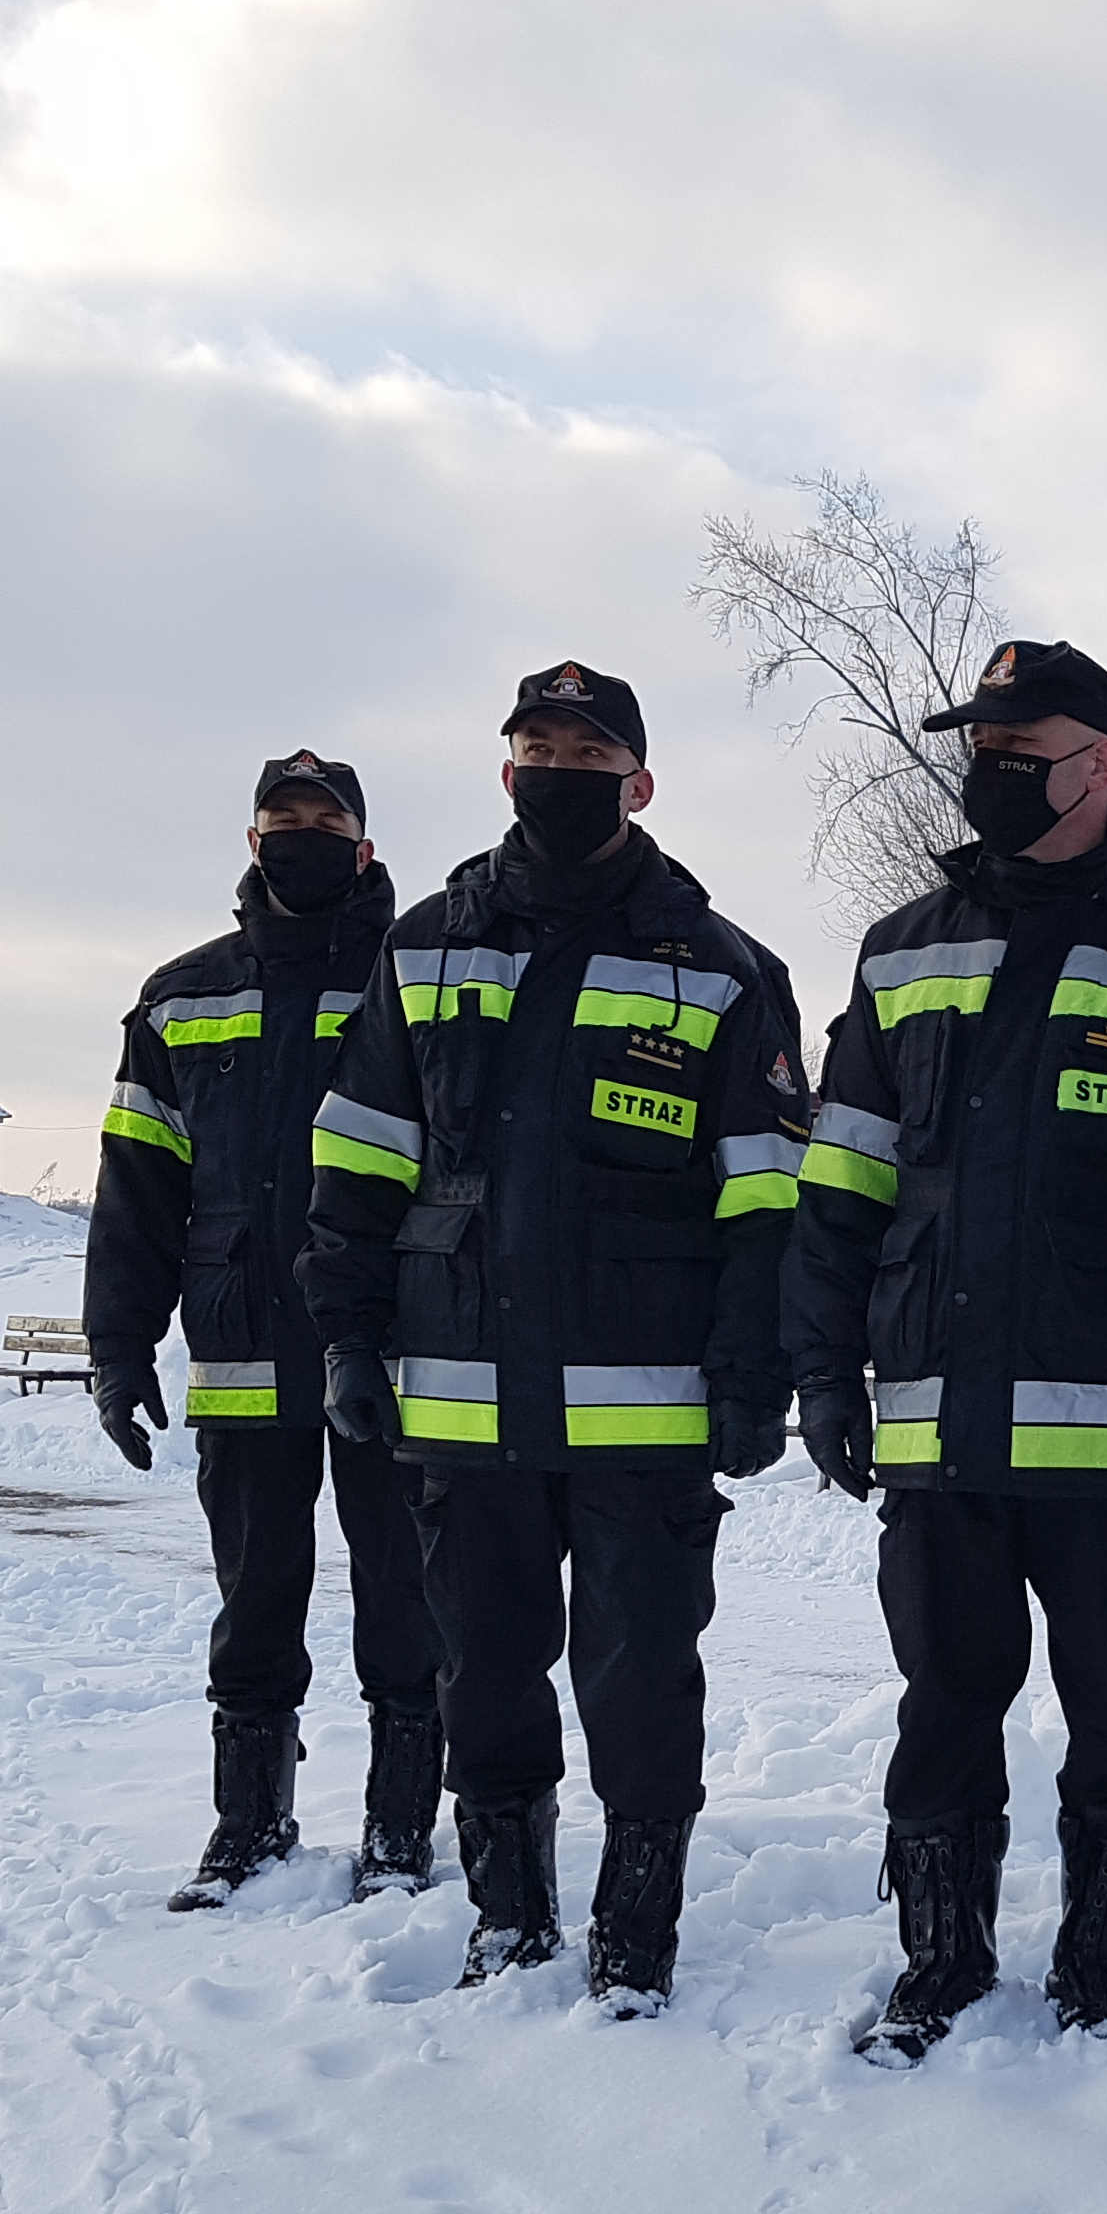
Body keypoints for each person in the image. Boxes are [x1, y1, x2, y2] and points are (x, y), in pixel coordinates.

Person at [785, 641, 1107, 2058]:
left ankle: (1099, 1968)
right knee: (943, 1708)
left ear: (1102, 765)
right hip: (936, 1424)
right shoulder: (903, 945)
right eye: (983, 751)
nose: (993, 772)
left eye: (1023, 750)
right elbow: (842, 1185)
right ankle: (940, 1961)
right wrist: (822, 1370)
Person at [300, 664, 808, 2010]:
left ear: (638, 785)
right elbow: (359, 1164)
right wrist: (347, 1339)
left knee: (643, 1686)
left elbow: (769, 1200)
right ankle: (508, 1917)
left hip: (649, 1412)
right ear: (505, 769)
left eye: (588, 754)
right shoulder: (423, 948)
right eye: (538, 747)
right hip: (464, 1401)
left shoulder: (721, 967)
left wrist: (756, 1374)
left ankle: (635, 1937)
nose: (558, 770)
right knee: (483, 1681)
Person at [86, 752, 442, 1908]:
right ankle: (248, 1826)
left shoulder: (419, 979)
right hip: (243, 1344)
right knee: (254, 1601)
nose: (302, 835)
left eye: (324, 820)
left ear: (364, 846)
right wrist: (117, 1347)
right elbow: (138, 1190)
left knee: (408, 1597)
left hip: (395, 1347)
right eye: (283, 818)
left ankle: (400, 1830)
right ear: (253, 841)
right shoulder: (180, 997)